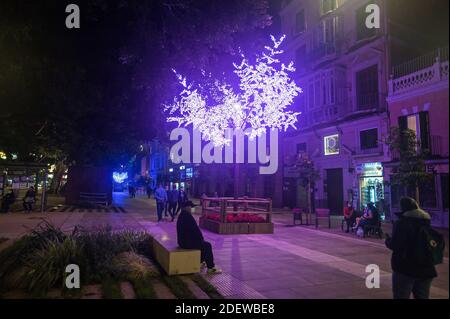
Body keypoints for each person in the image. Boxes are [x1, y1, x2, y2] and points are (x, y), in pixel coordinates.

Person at [385, 197, 440, 299]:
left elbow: (395, 245)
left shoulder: (402, 223)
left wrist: (387, 240)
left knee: (401, 295)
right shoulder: (426, 222)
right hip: (426, 268)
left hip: (406, 267)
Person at [177, 200, 222, 274]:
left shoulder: (182, 215)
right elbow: (195, 230)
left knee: (203, 244)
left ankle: (200, 261)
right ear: (187, 207)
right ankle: (211, 267)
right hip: (185, 242)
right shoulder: (187, 216)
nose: (192, 209)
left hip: (183, 241)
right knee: (207, 246)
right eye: (191, 207)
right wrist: (200, 239)